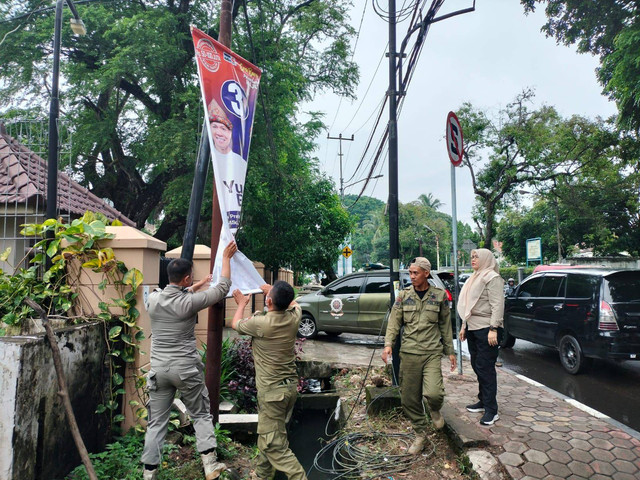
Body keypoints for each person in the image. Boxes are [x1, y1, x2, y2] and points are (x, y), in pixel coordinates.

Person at [141, 241, 238, 480]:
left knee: (156, 423)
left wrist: (199, 283)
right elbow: (223, 287)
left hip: (158, 370)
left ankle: (148, 473)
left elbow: (178, 294)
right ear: (185, 279)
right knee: (200, 414)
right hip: (184, 369)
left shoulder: (153, 300)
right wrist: (225, 258)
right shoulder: (188, 303)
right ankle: (210, 465)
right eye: (190, 278)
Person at [231, 281, 307, 480]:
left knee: (273, 444)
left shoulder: (261, 323)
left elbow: (235, 324)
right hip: (289, 390)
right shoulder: (293, 318)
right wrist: (273, 290)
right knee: (271, 435)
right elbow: (296, 303)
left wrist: (240, 304)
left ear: (269, 300)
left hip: (272, 393)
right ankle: (262, 476)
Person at [381, 257, 456, 455]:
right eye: (410, 273)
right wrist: (388, 345)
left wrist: (450, 351)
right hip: (409, 353)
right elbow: (394, 323)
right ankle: (420, 433)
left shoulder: (439, 296)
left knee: (434, 393)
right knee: (408, 399)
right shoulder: (403, 296)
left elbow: (445, 326)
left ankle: (434, 409)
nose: (412, 276)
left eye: (415, 273)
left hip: (431, 352)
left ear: (426, 274)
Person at [457, 248, 504, 426]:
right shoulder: (474, 277)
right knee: (477, 366)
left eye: (476, 256)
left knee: (485, 368)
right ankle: (483, 401)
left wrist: (494, 328)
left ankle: (492, 410)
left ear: (486, 258)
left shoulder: (492, 278)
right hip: (472, 328)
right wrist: (464, 326)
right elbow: (468, 304)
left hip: (487, 329)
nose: (473, 259)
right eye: (471, 257)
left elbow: (497, 305)